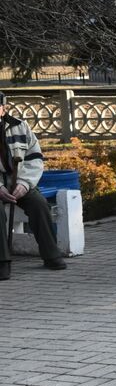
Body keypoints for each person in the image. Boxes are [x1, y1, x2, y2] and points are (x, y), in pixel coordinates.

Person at [0, 91, 67, 280]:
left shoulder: (21, 127)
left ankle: (51, 254)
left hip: (19, 180)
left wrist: (24, 183)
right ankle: (2, 261)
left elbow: (35, 158)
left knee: (39, 204)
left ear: (4, 108)